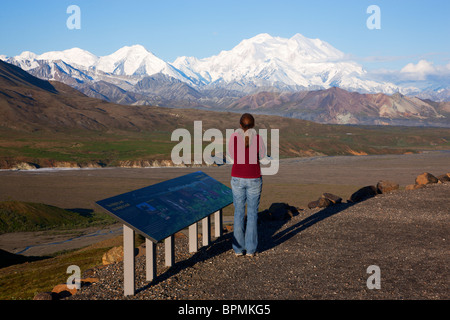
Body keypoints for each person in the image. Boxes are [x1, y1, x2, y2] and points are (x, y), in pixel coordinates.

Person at [228, 113, 266, 257]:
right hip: (254, 177)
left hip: (237, 177)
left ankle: (238, 249)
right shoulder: (258, 138)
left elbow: (231, 154)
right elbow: (262, 156)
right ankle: (250, 249)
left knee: (238, 212)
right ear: (253, 125)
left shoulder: (234, 137)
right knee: (252, 213)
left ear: (240, 125)